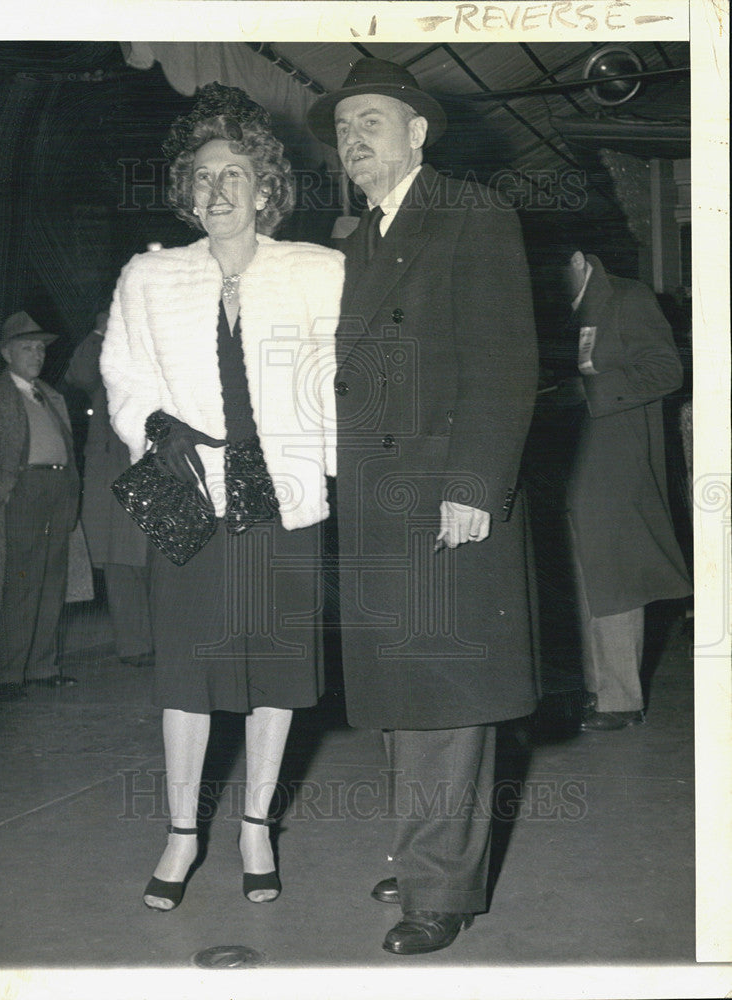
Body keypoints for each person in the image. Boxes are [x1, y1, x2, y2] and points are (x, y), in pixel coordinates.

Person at [306, 58, 539, 954]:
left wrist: (473, 487)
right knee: (407, 695)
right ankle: (423, 858)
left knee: (445, 697)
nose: (353, 138)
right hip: (378, 501)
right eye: (342, 127)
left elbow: (505, 359)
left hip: (445, 494)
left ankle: (438, 888)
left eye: (371, 121)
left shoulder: (471, 214)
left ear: (418, 132)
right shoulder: (362, 237)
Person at [101, 84, 344, 908]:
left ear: (265, 187)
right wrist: (157, 431)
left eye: (234, 175)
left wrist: (327, 454)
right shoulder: (148, 275)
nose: (217, 192)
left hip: (283, 492)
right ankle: (179, 834)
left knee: (275, 666)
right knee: (188, 671)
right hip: (188, 492)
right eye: (203, 179)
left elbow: (352, 378)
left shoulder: (318, 270)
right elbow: (123, 375)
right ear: (185, 193)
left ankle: (254, 826)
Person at [560, 250, 692, 731]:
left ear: (578, 257)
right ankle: (596, 692)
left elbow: (666, 371)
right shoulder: (555, 303)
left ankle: (621, 700)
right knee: (579, 579)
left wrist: (589, 391)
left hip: (617, 462)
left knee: (614, 579)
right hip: (568, 461)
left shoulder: (628, 298)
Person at [0, 311, 80, 701]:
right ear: (7, 354)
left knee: (53, 580)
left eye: (40, 348)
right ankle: (8, 673)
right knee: (19, 581)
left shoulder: (51, 396)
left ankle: (42, 667)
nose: (37, 354)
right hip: (21, 489)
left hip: (58, 489)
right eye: (27, 347)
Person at [64, 310, 154, 667]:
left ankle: (166, 642)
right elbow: (78, 373)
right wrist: (101, 327)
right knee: (121, 562)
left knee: (156, 562)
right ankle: (135, 646)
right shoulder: (104, 364)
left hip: (156, 471)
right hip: (114, 474)